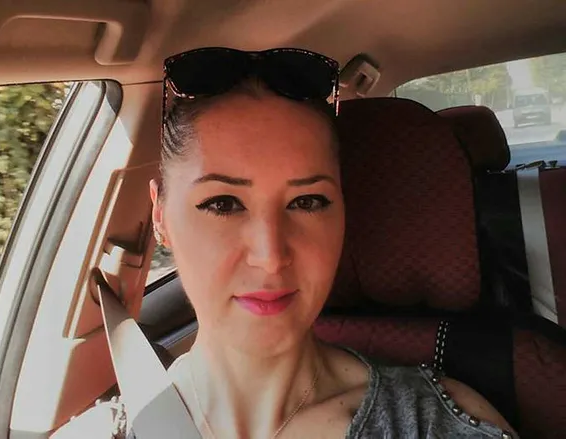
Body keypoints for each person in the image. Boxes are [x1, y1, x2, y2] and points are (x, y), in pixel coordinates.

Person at [147, 47, 516, 438]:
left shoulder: (432, 426)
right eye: (223, 204)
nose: (271, 257)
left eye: (306, 202)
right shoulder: (118, 421)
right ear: (160, 217)